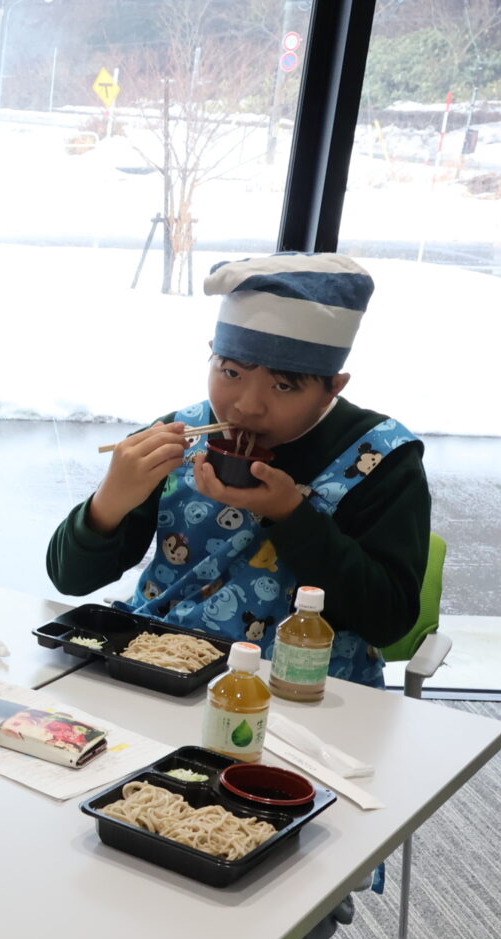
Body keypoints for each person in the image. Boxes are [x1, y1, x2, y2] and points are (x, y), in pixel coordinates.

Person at [46, 253, 430, 687]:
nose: (247, 405)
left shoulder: (381, 457)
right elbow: (70, 580)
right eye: (230, 371)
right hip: (161, 665)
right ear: (211, 356)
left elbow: (389, 619)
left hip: (304, 693)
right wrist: (108, 502)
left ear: (331, 389)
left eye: (284, 385)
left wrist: (291, 515)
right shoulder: (180, 435)